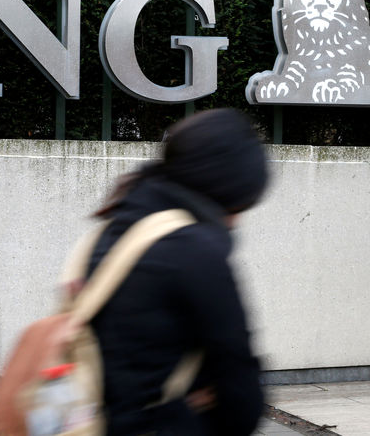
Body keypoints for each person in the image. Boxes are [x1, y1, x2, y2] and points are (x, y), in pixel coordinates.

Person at [82, 108, 267, 435]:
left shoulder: (115, 228)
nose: (237, 221)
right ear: (228, 192)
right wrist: (194, 408)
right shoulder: (195, 252)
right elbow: (242, 400)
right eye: (240, 206)